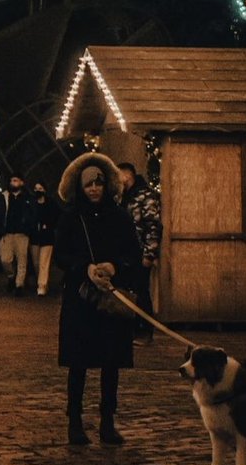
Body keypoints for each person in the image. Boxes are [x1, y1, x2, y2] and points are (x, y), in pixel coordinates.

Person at [54, 153, 141, 447]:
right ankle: (75, 422)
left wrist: (115, 267)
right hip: (81, 298)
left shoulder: (120, 217)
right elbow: (60, 256)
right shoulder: (70, 217)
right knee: (78, 363)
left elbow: (133, 253)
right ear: (80, 186)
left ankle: (108, 421)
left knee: (110, 362)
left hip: (110, 299)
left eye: (99, 183)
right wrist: (86, 268)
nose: (94, 189)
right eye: (89, 184)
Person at [118, 162, 162, 343]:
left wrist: (149, 253)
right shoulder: (123, 197)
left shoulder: (146, 196)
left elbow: (153, 225)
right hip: (126, 253)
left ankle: (144, 330)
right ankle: (132, 328)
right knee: (130, 291)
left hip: (140, 251)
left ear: (127, 175)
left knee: (142, 292)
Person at [0, 173, 36, 295]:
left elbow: (32, 214)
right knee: (5, 259)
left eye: (15, 180)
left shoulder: (27, 198)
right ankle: (11, 276)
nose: (13, 183)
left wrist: (29, 226)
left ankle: (19, 285)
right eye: (12, 180)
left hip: (22, 233)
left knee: (22, 260)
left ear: (21, 182)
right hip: (7, 233)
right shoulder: (5, 197)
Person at [29, 182, 61, 296]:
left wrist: (49, 224)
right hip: (34, 237)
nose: (38, 191)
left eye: (40, 188)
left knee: (44, 262)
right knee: (36, 263)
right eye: (36, 188)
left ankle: (41, 286)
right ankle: (42, 281)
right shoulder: (31, 204)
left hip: (47, 237)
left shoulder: (51, 204)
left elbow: (58, 216)